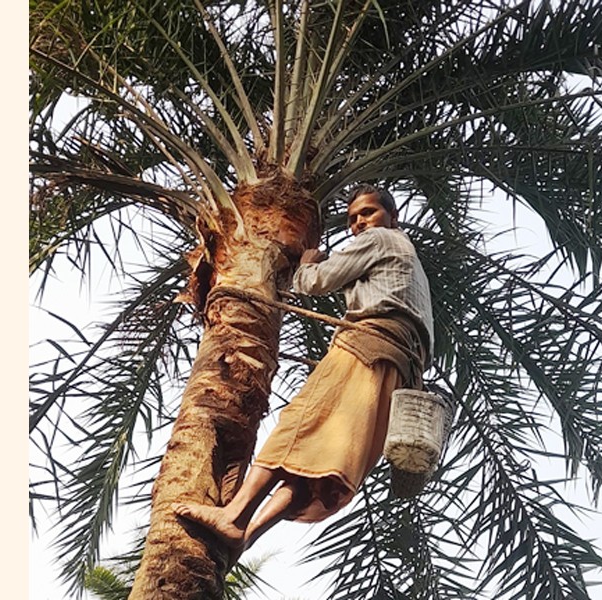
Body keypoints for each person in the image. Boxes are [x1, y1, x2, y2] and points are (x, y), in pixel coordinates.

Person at [173, 184, 434, 556]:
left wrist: (308, 261)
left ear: (392, 218)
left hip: (366, 348)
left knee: (299, 425)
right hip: (399, 371)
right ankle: (245, 535)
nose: (360, 223)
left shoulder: (382, 239)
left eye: (368, 213)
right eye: (353, 219)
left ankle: (233, 514)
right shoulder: (412, 264)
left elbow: (315, 283)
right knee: (316, 462)